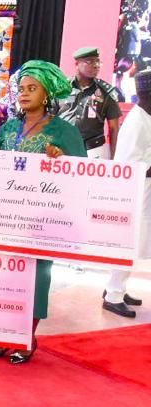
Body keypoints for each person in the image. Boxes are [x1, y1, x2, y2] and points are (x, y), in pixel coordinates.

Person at [0, 60, 85, 364]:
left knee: (36, 277)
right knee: (3, 275)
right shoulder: (8, 128)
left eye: (32, 88)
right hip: (6, 216)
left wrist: (61, 159)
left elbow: (82, 173)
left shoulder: (64, 131)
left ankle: (26, 337)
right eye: (21, 89)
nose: (24, 94)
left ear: (46, 93)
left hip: (42, 220)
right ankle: (2, 336)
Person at [102, 69, 151, 318]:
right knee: (128, 243)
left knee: (135, 242)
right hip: (134, 193)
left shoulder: (146, 116)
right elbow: (129, 166)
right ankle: (113, 295)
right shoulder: (137, 122)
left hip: (144, 192)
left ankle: (117, 288)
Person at [59, 47, 121, 159]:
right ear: (77, 64)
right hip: (62, 149)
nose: (96, 65)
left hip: (93, 152)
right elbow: (48, 119)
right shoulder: (62, 88)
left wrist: (113, 158)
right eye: (90, 61)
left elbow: (114, 129)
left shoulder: (106, 92)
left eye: (98, 61)